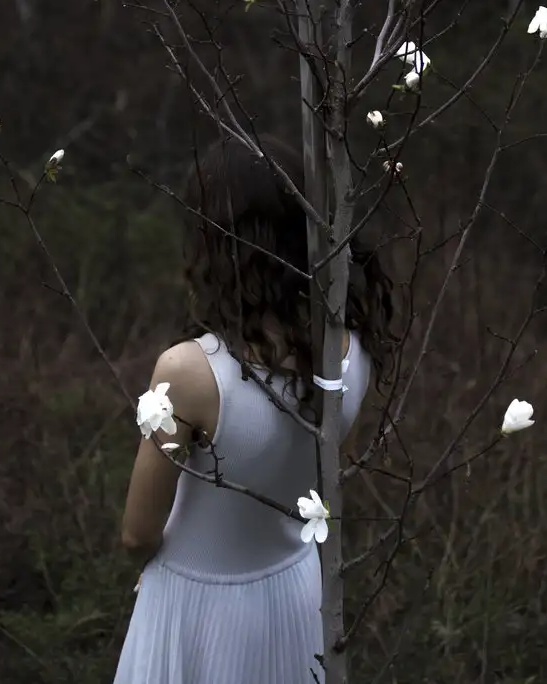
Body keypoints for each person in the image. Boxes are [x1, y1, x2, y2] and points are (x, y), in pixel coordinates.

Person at [113, 133, 398, 684]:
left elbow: (137, 534)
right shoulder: (350, 347)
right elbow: (329, 469)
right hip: (295, 591)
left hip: (195, 605)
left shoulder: (191, 372)